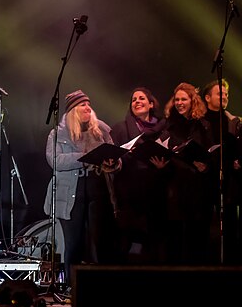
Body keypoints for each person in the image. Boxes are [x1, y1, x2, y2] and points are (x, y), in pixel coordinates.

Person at [45, 90, 118, 287]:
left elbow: (114, 156)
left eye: (88, 104)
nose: (87, 108)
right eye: (82, 105)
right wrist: (84, 157)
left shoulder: (101, 129)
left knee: (102, 241)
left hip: (98, 188)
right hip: (71, 192)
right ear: (72, 111)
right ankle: (71, 288)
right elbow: (55, 160)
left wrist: (113, 163)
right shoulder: (58, 133)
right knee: (74, 242)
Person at [110, 87, 168, 264]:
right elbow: (112, 159)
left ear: (151, 104)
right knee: (126, 243)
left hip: (155, 193)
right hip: (128, 194)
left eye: (141, 98)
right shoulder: (120, 129)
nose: (137, 102)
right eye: (134, 99)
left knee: (154, 243)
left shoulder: (164, 129)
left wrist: (162, 167)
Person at [160, 83, 213, 264]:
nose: (180, 103)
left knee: (196, 236)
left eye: (184, 99)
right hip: (175, 187)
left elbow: (211, 152)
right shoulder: (168, 125)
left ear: (192, 100)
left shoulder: (203, 125)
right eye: (177, 99)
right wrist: (162, 164)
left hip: (198, 188)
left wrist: (205, 165)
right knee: (175, 236)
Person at [201, 79, 242, 263]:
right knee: (206, 225)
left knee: (231, 224)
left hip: (229, 180)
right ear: (208, 97)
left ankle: (231, 263)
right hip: (205, 180)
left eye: (226, 94)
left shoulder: (234, 122)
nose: (224, 96)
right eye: (220, 93)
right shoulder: (199, 122)